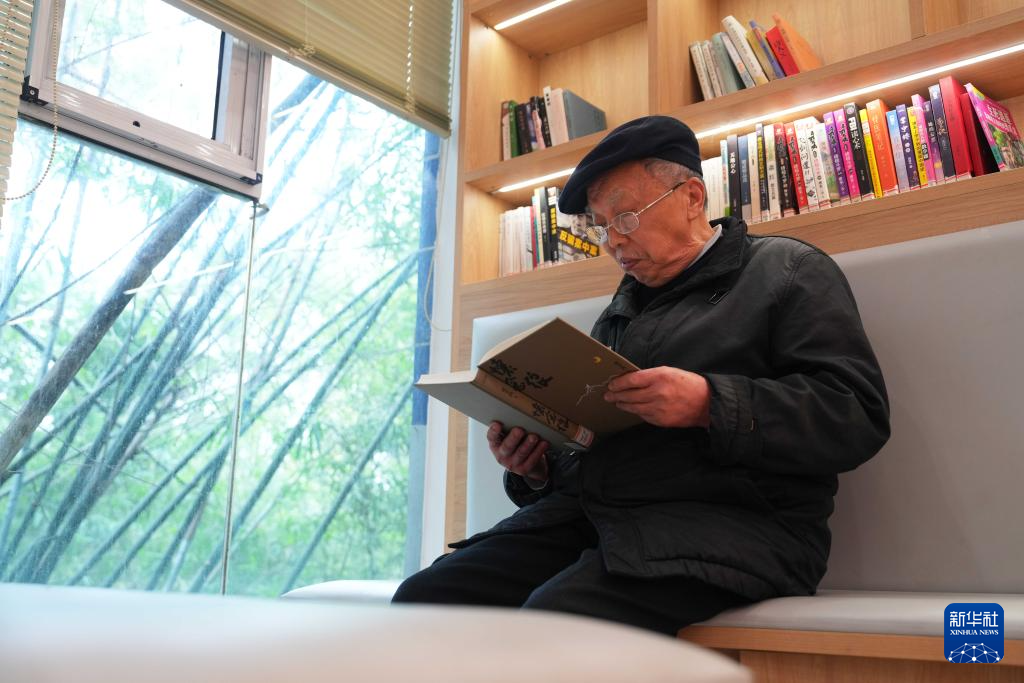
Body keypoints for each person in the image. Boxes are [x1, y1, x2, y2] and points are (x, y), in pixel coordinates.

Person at [393, 115, 890, 636]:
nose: (612, 241)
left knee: (553, 622)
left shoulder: (788, 270)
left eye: (626, 217)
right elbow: (601, 446)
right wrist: (536, 469)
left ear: (692, 197)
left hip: (739, 526)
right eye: (601, 226)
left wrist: (707, 402)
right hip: (601, 521)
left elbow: (856, 416)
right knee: (425, 599)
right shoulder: (621, 310)